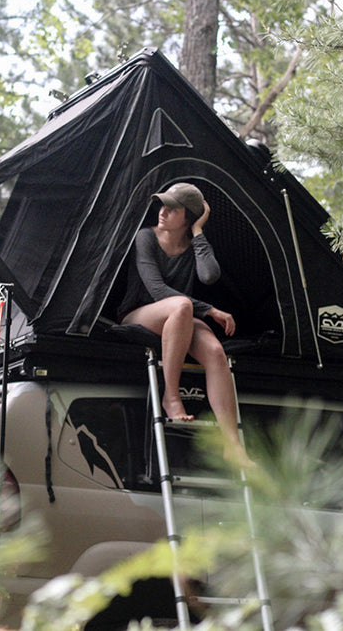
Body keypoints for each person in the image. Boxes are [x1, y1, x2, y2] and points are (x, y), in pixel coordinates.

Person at [117, 182, 254, 469]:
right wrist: (210, 310)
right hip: (139, 312)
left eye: (173, 209)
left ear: (187, 217)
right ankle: (171, 396)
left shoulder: (194, 246)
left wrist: (198, 232)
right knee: (183, 306)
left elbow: (209, 276)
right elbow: (155, 289)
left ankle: (234, 447)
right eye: (162, 205)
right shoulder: (146, 237)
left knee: (216, 353)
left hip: (179, 316)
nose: (163, 212)